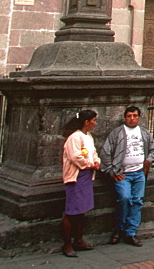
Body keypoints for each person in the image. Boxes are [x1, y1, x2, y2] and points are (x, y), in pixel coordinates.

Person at [101, 106, 154, 247]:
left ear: (139, 117)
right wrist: (112, 171)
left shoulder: (144, 133)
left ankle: (131, 233)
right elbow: (105, 153)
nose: (132, 118)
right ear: (125, 118)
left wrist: (148, 161)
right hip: (123, 174)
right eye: (129, 116)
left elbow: (153, 149)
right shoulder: (117, 133)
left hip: (139, 173)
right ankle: (119, 229)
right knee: (124, 198)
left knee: (137, 201)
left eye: (134, 115)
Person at [61, 109, 100, 257]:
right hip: (76, 177)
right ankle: (67, 244)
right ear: (86, 122)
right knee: (71, 211)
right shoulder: (74, 138)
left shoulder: (88, 136)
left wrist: (96, 161)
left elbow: (93, 153)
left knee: (81, 210)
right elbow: (75, 156)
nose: (95, 124)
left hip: (86, 176)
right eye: (94, 121)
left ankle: (78, 240)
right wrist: (90, 164)